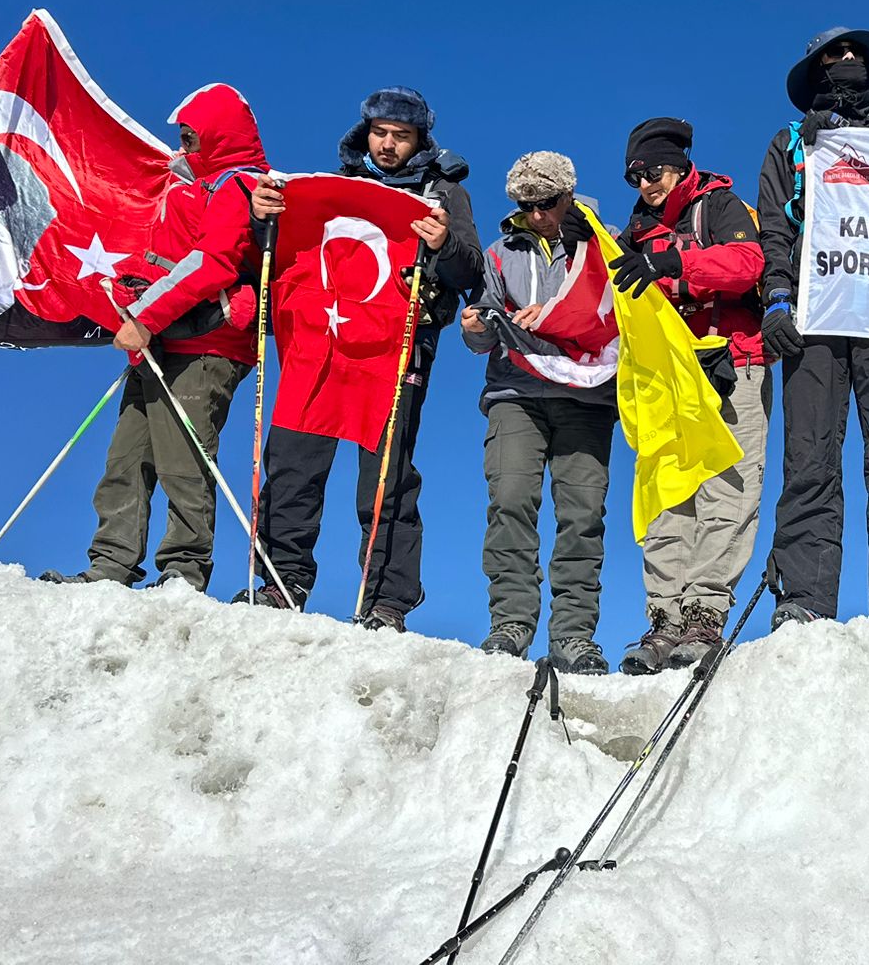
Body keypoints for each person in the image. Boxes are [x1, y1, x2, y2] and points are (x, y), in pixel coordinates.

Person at [241, 88, 482, 628]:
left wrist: (443, 244)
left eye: (402, 135)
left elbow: (471, 274)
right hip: (324, 339)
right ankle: (283, 580)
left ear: (420, 139)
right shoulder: (334, 188)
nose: (390, 144)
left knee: (386, 473)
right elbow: (276, 251)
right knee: (293, 457)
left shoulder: (441, 192)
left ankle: (387, 601)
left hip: (398, 345)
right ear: (365, 132)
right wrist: (263, 218)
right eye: (381, 133)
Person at [40, 84, 267, 592]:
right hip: (161, 341)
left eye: (191, 137)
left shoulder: (237, 185)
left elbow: (214, 263)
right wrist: (128, 290)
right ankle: (111, 566)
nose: (182, 148)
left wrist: (143, 316)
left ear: (218, 137)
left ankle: (183, 573)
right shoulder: (187, 187)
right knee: (126, 458)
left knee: (182, 458)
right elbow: (164, 257)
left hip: (206, 345)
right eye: (182, 138)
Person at [757, 27, 869, 625]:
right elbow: (774, 230)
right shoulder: (789, 144)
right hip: (816, 309)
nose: (849, 62)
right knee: (808, 454)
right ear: (817, 69)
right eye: (836, 55)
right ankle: (804, 598)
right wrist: (776, 298)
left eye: (857, 54)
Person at [609, 118, 769, 675]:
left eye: (652, 171)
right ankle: (664, 618)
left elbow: (749, 264)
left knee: (728, 488)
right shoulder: (636, 230)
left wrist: (675, 263)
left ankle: (705, 610)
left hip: (733, 364)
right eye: (634, 176)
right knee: (668, 492)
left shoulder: (720, 205)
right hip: (670, 378)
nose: (646, 184)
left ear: (679, 165)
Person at [461, 152, 617, 673]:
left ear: (569, 194)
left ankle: (574, 634)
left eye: (546, 203)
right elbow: (481, 333)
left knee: (582, 514)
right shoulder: (500, 251)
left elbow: (624, 314)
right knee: (509, 501)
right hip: (515, 395)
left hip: (587, 397)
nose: (537, 215)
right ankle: (511, 624)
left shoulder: (605, 241)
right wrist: (476, 327)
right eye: (525, 205)